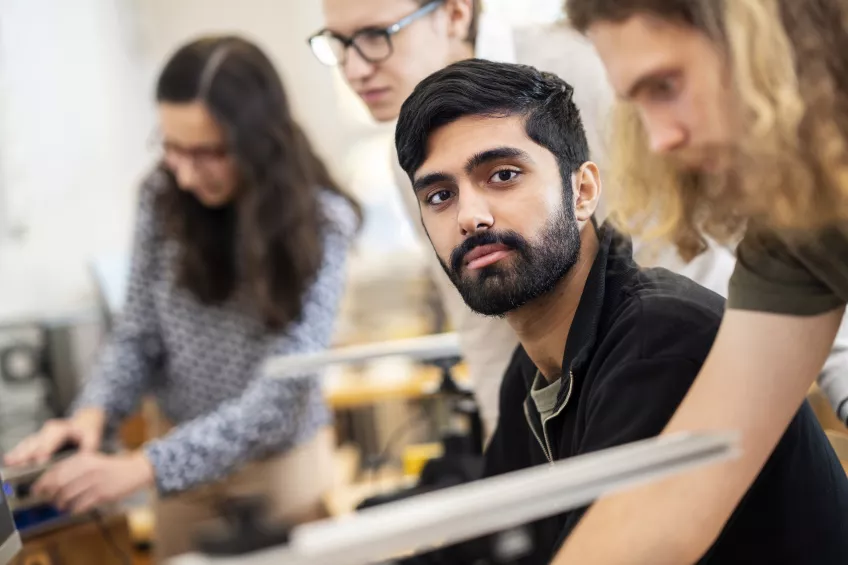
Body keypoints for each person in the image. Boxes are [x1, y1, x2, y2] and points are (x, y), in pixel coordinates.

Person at [311, 0, 848, 437]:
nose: (356, 68)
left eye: (376, 35)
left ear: (454, 13)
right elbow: (482, 329)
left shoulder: (584, 69)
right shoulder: (410, 158)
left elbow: (692, 258)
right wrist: (524, 477)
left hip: (694, 361)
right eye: (339, 45)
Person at [394, 58, 848, 564]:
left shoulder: (661, 343)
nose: (470, 217)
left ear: (583, 190)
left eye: (503, 175)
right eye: (440, 195)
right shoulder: (534, 371)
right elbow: (487, 543)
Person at [3, 36, 360, 561]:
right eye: (172, 147)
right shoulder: (161, 196)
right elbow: (138, 333)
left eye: (208, 152)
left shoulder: (325, 222)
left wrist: (146, 467)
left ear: (259, 142)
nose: (186, 173)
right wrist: (92, 414)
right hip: (177, 477)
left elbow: (282, 395)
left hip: (279, 472)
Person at [531, 1, 848, 563]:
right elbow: (670, 501)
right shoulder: (795, 233)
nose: (659, 141)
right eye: (638, 104)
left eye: (666, 86)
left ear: (767, 42)